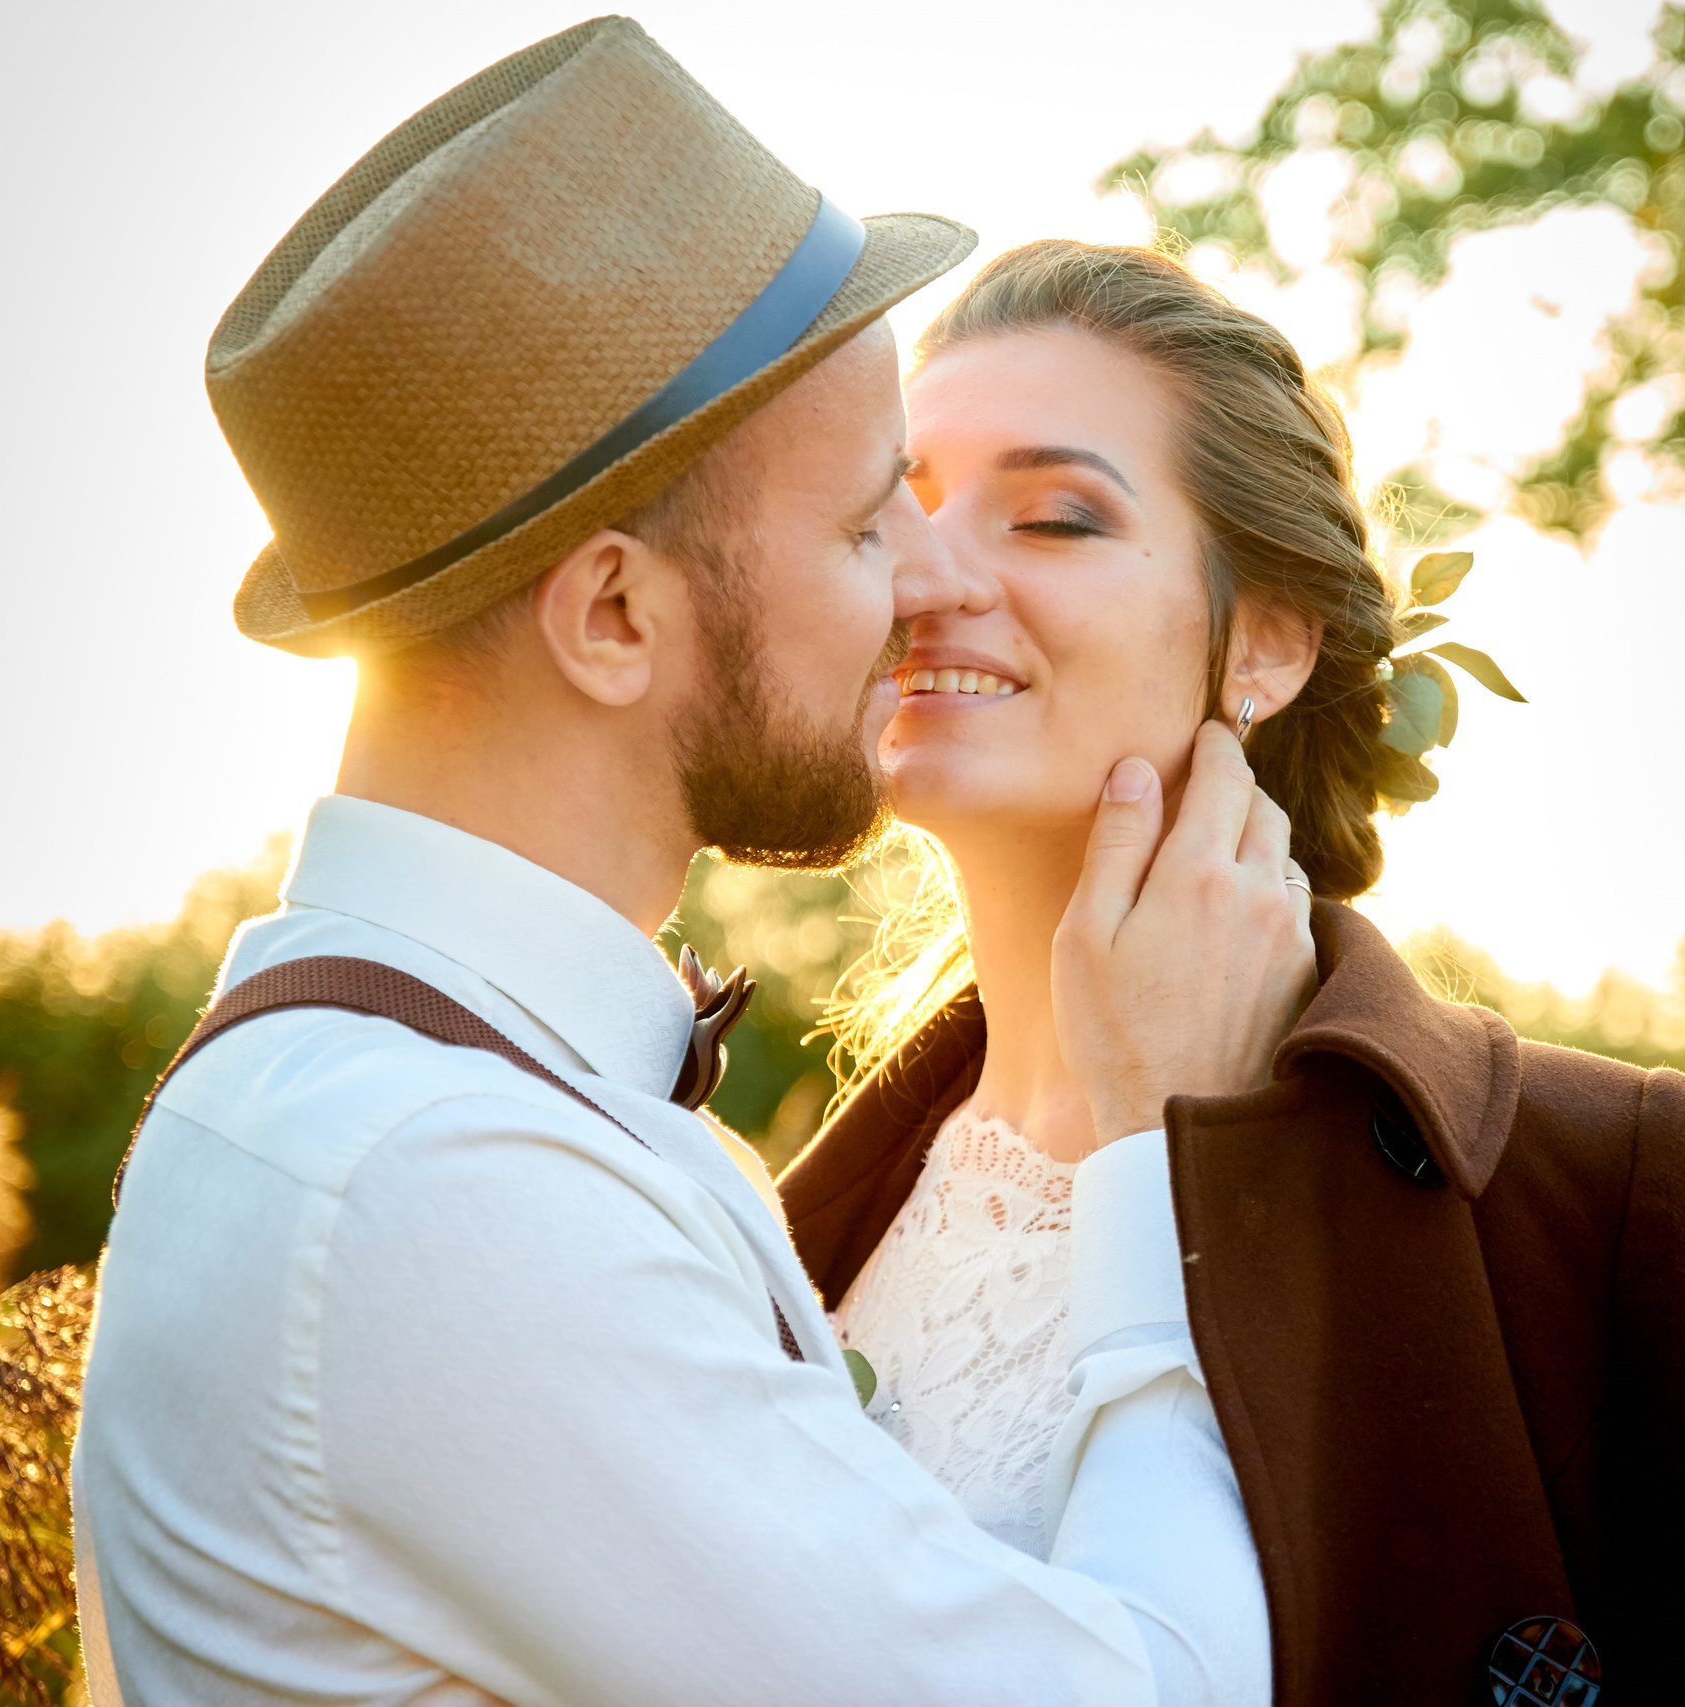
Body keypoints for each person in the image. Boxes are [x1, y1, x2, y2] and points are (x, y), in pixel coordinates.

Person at [73, 21, 1303, 1706]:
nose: (925, 587)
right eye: (865, 524)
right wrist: (1162, 1141)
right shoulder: (441, 1187)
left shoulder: (391, 1098)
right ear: (613, 615)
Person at [782, 242, 1685, 1705]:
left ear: (1267, 642)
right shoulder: (799, 1207)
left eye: (1052, 518)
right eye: (900, 507)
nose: (929, 574)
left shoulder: (1587, 1181)